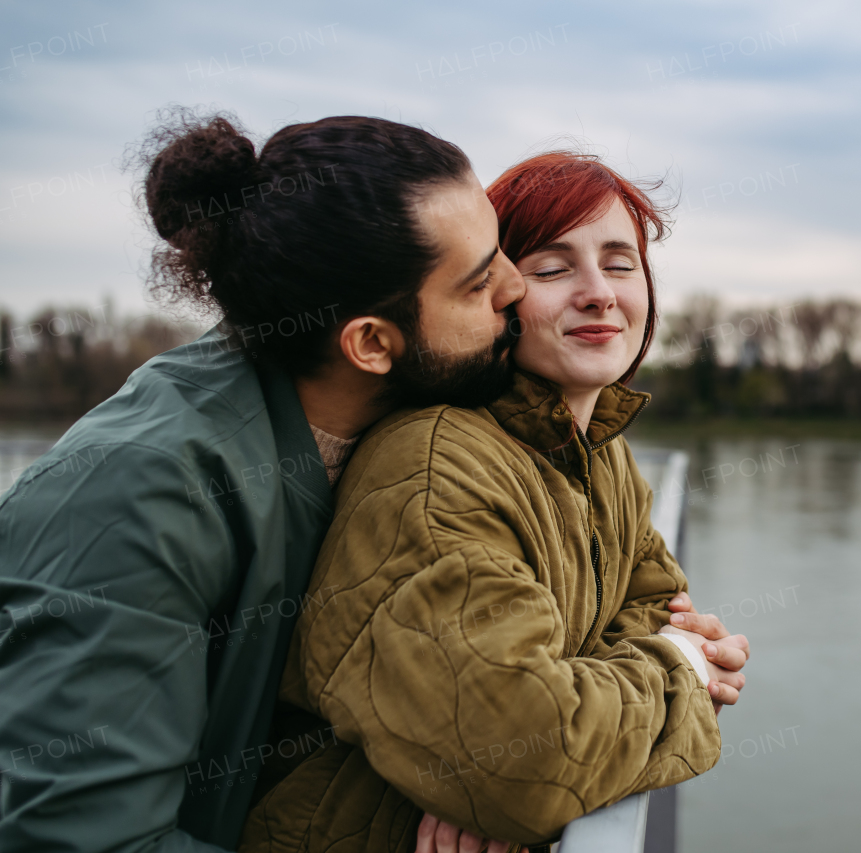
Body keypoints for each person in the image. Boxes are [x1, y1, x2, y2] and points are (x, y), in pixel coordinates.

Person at [0, 110, 527, 852]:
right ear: (372, 342)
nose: (517, 286)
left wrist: (657, 638)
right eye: (477, 285)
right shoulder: (134, 499)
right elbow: (88, 841)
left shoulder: (413, 424)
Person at [237, 152, 750, 853]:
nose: (599, 292)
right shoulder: (434, 465)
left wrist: (615, 683)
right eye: (551, 268)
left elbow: (653, 611)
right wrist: (684, 670)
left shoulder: (602, 455)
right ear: (498, 293)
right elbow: (525, 760)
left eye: (620, 262)